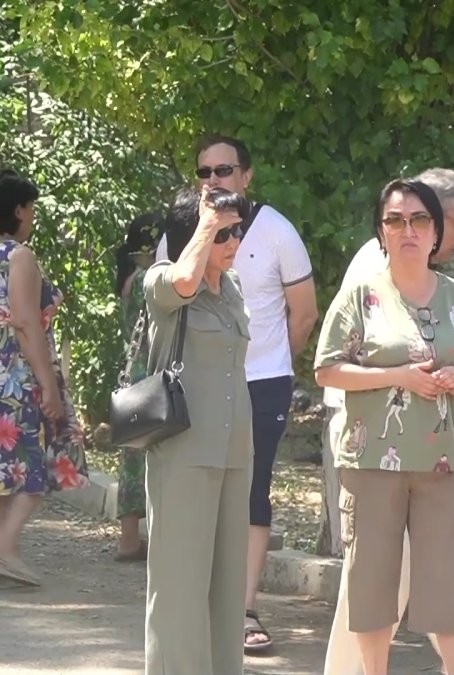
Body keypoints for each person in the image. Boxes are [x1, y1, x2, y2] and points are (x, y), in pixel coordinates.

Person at [320, 170, 454, 675]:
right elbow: (327, 368)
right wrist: (398, 377)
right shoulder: (361, 295)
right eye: (395, 220)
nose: (407, 229)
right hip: (372, 462)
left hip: (443, 463)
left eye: (418, 220)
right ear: (381, 231)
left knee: (452, 586)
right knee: (373, 588)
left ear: (436, 233)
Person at [155, 135, 319, 652]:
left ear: (246, 175)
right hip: (187, 411)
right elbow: (177, 284)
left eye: (224, 170)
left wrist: (275, 366)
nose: (213, 180)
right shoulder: (180, 245)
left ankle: (243, 608)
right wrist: (207, 225)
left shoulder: (271, 235)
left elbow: (304, 311)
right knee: (187, 544)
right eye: (204, 171)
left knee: (248, 503)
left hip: (256, 388)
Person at [143, 185, 253, 674]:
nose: (234, 240)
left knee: (227, 589)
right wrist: (207, 225)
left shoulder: (232, 289)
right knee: (180, 589)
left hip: (234, 451)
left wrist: (217, 229)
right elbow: (185, 282)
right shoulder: (163, 281)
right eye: (224, 232)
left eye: (237, 230)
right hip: (184, 453)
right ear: (196, 233)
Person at [0, 169, 87, 587]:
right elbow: (24, 323)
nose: (32, 217)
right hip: (15, 377)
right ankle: (7, 549)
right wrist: (48, 384)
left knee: (6, 472)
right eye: (30, 208)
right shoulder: (19, 256)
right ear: (17, 209)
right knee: (29, 472)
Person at [113, 211, 163, 562]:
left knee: (131, 459)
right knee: (158, 456)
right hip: (153, 374)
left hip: (133, 375)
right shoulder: (150, 279)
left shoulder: (127, 277)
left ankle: (128, 539)